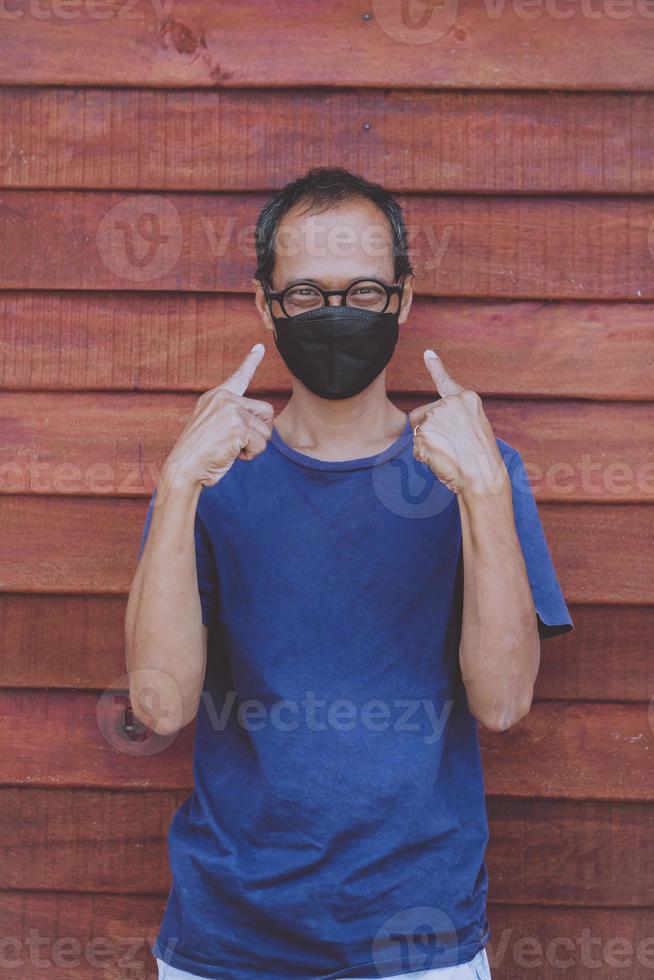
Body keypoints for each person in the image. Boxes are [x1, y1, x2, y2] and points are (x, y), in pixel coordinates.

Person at [126, 167, 574, 980]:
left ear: (403, 300)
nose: (337, 314)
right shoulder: (212, 472)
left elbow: (504, 703)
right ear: (266, 305)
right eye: (306, 295)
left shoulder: (478, 467)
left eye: (364, 291)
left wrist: (480, 492)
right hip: (228, 941)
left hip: (419, 939)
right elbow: (159, 705)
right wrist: (178, 484)